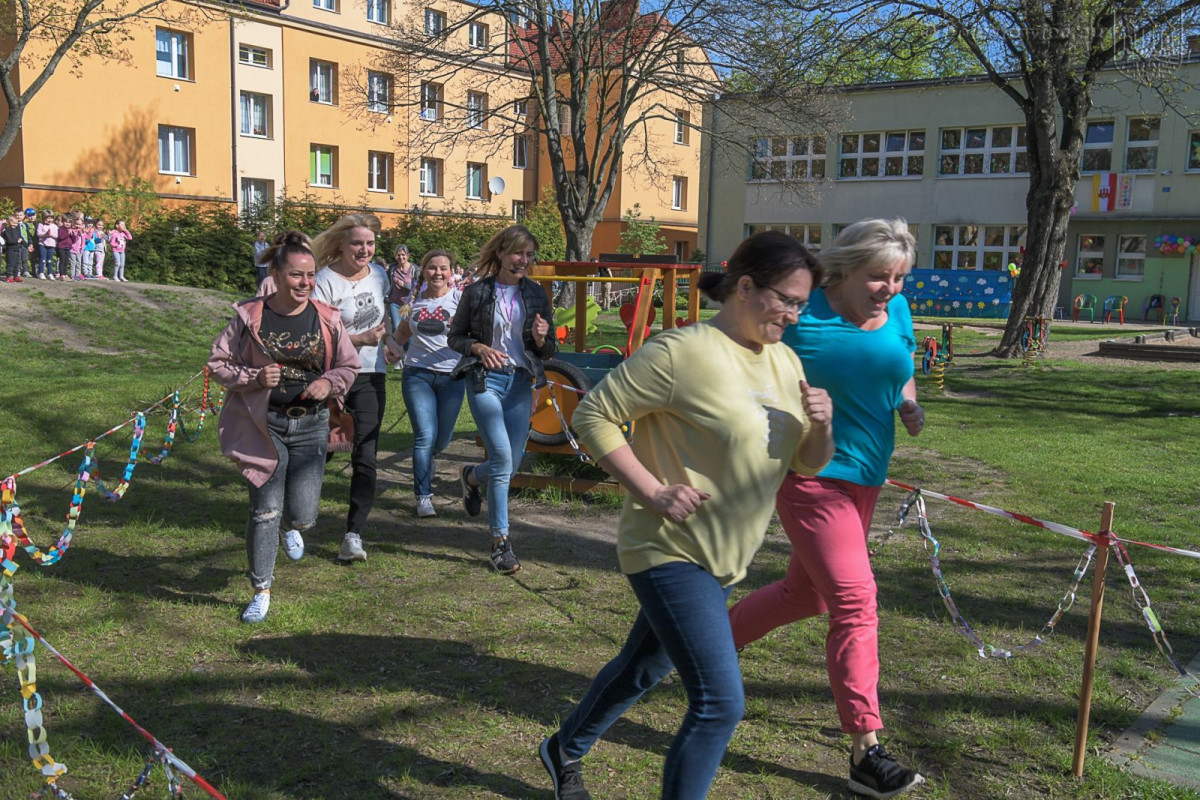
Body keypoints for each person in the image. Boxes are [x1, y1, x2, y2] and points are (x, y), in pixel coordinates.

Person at [538, 231, 833, 800]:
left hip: (723, 555)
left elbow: (809, 464)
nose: (795, 316)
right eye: (788, 300)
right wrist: (652, 491)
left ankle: (563, 748)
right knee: (720, 703)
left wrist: (822, 424)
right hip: (669, 548)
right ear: (745, 287)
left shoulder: (784, 359)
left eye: (803, 304)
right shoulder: (681, 353)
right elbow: (594, 413)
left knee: (643, 668)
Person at [727, 219, 926, 800]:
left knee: (805, 594)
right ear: (843, 270)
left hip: (866, 477)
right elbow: (739, 362)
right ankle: (867, 750)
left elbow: (902, 369)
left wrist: (908, 405)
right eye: (877, 277)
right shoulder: (802, 314)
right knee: (855, 602)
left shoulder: (899, 310)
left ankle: (706, 642)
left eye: (898, 277)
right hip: (812, 477)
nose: (889, 288)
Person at [208, 231, 361, 623]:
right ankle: (261, 588)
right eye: (296, 276)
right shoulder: (249, 318)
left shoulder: (326, 318)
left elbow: (348, 365)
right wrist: (255, 379)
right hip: (264, 426)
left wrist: (329, 383)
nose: (305, 284)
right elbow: (218, 363)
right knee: (264, 511)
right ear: (275, 275)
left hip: (311, 425)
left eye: (310, 276)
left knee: (304, 515)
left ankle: (294, 526)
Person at [447, 224, 556, 575]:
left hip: (521, 383)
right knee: (503, 458)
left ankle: (471, 477)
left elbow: (549, 350)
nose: (523, 260)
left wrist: (541, 339)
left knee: (508, 465)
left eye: (528, 254)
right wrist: (478, 347)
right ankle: (500, 543)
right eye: (517, 253)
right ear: (500, 254)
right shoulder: (477, 292)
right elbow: (456, 337)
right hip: (484, 380)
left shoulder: (537, 294)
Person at [311, 213, 390, 563]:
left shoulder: (380, 276)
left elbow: (383, 319)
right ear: (341, 244)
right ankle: (293, 517)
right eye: (357, 243)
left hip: (372, 375)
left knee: (366, 456)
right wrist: (359, 338)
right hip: (333, 377)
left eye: (370, 243)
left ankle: (353, 535)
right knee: (319, 450)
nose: (364, 249)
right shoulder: (325, 281)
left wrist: (390, 342)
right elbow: (316, 334)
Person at [386, 249, 465, 518]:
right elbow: (404, 331)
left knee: (441, 440)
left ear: (452, 272)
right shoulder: (414, 300)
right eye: (432, 268)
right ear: (424, 271)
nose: (438, 273)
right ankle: (423, 496)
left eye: (443, 268)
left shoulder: (460, 301)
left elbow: (476, 334)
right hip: (417, 373)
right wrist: (393, 346)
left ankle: (429, 459)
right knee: (424, 437)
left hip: (452, 377)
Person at [387, 244, 414, 335]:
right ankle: (395, 348)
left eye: (403, 255)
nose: (401, 257)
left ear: (407, 256)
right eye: (398, 255)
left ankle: (407, 349)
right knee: (396, 326)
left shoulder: (414, 270)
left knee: (407, 329)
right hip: (394, 303)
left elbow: (418, 288)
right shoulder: (392, 268)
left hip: (407, 305)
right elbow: (385, 281)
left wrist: (405, 285)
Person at [1, 215, 27, 283]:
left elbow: (21, 237)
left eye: (16, 223)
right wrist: (17, 241)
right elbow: (9, 240)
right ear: (9, 222)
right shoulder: (7, 230)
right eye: (13, 223)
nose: (15, 225)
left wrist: (26, 244)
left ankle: (16, 276)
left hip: (17, 249)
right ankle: (8, 277)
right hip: (10, 250)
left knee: (17, 264)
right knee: (10, 264)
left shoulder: (17, 230)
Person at [36, 212, 56, 280]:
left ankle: (49, 273)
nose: (49, 220)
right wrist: (45, 234)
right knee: (43, 259)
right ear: (44, 218)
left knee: (49, 260)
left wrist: (50, 234)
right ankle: (41, 272)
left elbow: (56, 236)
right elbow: (38, 234)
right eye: (47, 218)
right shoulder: (41, 225)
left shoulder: (54, 226)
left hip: (51, 245)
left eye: (51, 218)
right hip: (43, 244)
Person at [54, 216, 72, 281]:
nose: (67, 224)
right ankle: (61, 274)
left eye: (69, 223)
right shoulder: (61, 229)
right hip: (61, 247)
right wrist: (68, 233)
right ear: (63, 222)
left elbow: (73, 239)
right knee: (62, 261)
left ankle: (65, 273)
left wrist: (73, 234)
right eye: (66, 222)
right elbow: (61, 237)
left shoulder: (69, 229)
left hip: (68, 247)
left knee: (66, 261)